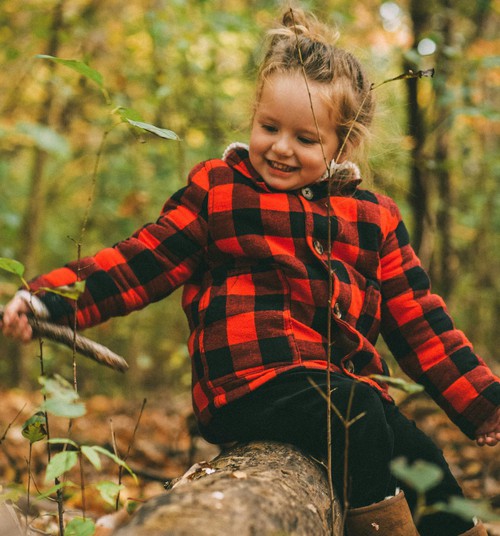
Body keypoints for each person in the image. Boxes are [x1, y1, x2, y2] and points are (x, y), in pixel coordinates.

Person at [1, 8, 499, 535]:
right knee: (358, 415)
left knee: (424, 462)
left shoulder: (374, 220)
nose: (281, 148)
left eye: (306, 139)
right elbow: (141, 261)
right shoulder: (222, 192)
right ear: (254, 117)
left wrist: (483, 401)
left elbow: (420, 321)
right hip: (248, 383)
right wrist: (49, 300)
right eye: (269, 127)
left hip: (338, 390)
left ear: (343, 145)